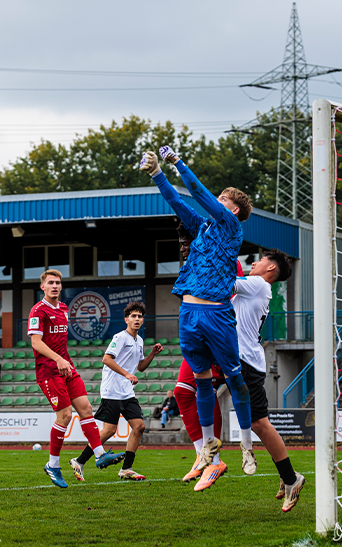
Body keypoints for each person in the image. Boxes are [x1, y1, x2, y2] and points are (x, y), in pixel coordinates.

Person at [140, 146, 255, 476]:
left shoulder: (231, 228)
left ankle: (246, 447)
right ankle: (207, 450)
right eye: (218, 199)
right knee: (200, 382)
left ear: (233, 210)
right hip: (188, 312)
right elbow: (178, 203)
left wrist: (177, 163)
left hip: (217, 314)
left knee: (235, 380)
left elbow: (199, 194)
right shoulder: (203, 227)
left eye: (223, 201)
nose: (216, 202)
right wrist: (156, 174)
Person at [29, 269, 122, 489]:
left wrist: (65, 362)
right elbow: (36, 343)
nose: (55, 286)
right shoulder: (38, 311)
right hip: (48, 370)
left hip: (66, 367)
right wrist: (58, 360)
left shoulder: (63, 309)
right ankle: (52, 465)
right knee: (65, 416)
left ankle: (100, 455)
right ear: (43, 286)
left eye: (58, 283)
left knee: (86, 408)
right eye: (50, 283)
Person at [230, 250, 305, 509]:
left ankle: (291, 478)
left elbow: (224, 280)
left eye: (259, 260)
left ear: (270, 267)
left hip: (248, 363)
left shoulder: (258, 284)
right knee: (257, 423)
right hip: (242, 361)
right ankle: (287, 476)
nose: (254, 262)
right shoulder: (256, 287)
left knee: (260, 424)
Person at [71, 302, 162, 481]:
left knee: (139, 427)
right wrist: (127, 374)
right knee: (109, 431)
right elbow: (106, 359)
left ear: (143, 320)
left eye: (140, 316)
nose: (137, 319)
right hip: (112, 391)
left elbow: (141, 367)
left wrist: (152, 354)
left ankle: (126, 469)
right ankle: (79, 461)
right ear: (126, 319)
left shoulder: (140, 340)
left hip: (127, 392)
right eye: (133, 316)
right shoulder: (120, 337)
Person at [173, 221, 230, 484]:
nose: (183, 248)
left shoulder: (222, 260)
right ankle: (203, 456)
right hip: (196, 336)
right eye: (181, 243)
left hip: (218, 337)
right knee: (183, 392)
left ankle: (215, 460)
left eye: (188, 243)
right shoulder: (191, 267)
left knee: (253, 414)